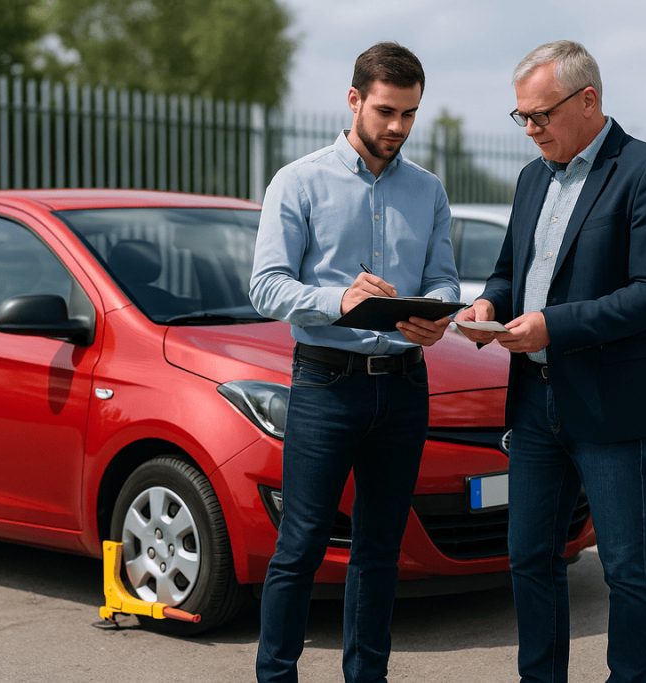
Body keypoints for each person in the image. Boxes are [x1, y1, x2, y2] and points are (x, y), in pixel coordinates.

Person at [454, 40, 646, 683]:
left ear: (588, 100)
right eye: (521, 118)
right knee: (529, 558)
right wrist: (485, 305)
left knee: (626, 566)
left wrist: (552, 327)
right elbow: (511, 271)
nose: (530, 130)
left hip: (609, 404)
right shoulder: (533, 177)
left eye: (541, 115)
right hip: (533, 403)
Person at [249, 41, 459, 683]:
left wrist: (438, 315)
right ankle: (275, 675)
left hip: (403, 388)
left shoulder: (428, 191)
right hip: (324, 384)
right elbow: (265, 287)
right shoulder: (298, 181)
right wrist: (336, 299)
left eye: (410, 115)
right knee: (301, 545)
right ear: (354, 99)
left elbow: (446, 279)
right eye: (387, 111)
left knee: (379, 551)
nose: (398, 127)